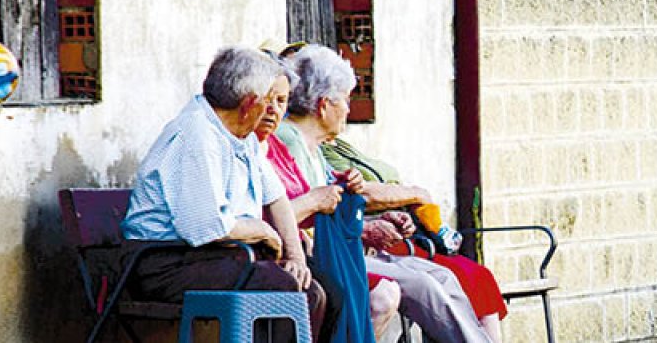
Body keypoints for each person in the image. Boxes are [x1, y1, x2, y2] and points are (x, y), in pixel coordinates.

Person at [280, 44, 493, 343]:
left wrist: (375, 220)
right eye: (345, 100)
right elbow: (306, 216)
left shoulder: (314, 146)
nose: (349, 109)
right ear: (324, 105)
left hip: (345, 248)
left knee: (443, 276)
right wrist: (365, 226)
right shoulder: (291, 140)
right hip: (328, 255)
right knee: (423, 286)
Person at [121, 46, 329, 342]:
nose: (271, 110)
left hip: (215, 256)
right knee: (278, 287)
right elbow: (206, 227)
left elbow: (276, 197)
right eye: (267, 100)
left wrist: (296, 256)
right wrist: (263, 231)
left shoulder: (242, 135)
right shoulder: (196, 134)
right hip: (165, 263)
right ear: (249, 104)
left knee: (316, 290)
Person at [254, 56, 402, 341]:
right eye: (345, 99)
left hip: (304, 250)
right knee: (334, 293)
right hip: (275, 253)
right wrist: (318, 207)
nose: (274, 110)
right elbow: (264, 216)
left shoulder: (279, 146)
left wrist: (344, 190)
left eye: (281, 101)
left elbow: (308, 201)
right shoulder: (283, 139)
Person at [324, 137, 508, 342]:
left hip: (389, 234)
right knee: (424, 284)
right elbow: (348, 199)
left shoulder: (336, 146)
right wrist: (415, 195)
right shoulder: (310, 151)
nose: (345, 117)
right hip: (350, 246)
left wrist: (389, 216)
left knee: (454, 276)